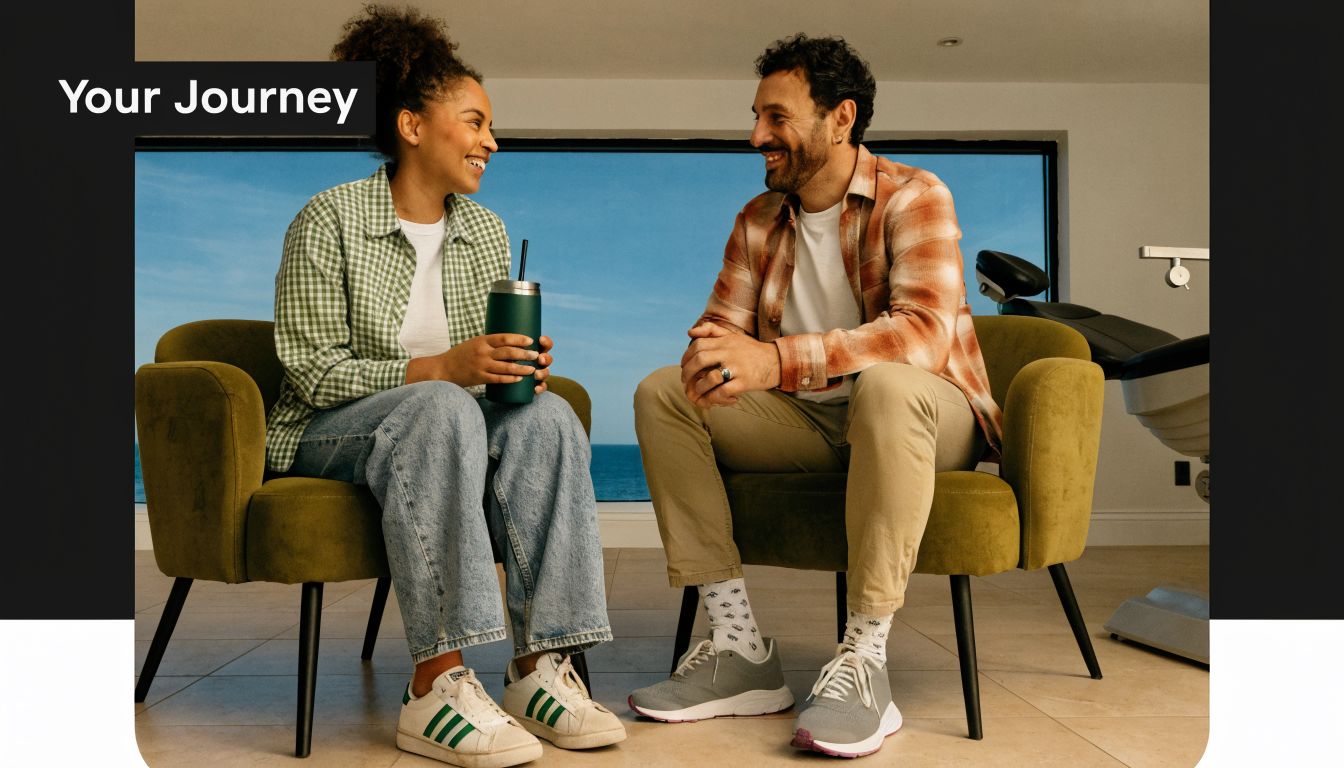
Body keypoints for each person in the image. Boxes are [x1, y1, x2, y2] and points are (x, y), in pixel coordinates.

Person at [265, 5, 626, 766]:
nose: (491, 141)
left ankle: (538, 671)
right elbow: (310, 367)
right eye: (474, 121)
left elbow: (477, 381)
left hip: (447, 421)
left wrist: (511, 370)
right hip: (330, 431)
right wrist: (444, 369)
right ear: (412, 126)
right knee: (438, 407)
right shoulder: (327, 219)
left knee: (548, 419)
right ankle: (434, 685)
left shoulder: (485, 231)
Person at [627, 33, 1004, 759]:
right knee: (662, 392)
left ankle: (864, 659)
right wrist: (713, 358)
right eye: (756, 116)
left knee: (888, 386)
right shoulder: (757, 220)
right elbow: (718, 331)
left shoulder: (916, 195)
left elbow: (923, 336)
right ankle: (737, 647)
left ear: (841, 119)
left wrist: (772, 360)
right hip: (807, 419)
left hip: (926, 411)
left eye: (776, 117)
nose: (756, 135)